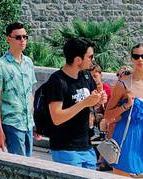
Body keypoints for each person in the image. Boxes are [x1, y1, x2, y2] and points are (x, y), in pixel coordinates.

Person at [102, 44, 143, 179]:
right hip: (126, 136)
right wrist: (126, 106)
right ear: (131, 59)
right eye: (136, 56)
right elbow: (107, 115)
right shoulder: (123, 85)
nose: (140, 59)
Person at [43, 37, 104, 168]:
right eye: (90, 57)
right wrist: (84, 103)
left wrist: (98, 100)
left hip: (86, 146)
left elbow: (92, 102)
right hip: (65, 148)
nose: (92, 60)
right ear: (78, 60)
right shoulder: (57, 81)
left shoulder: (86, 76)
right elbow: (57, 117)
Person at [0, 22, 37, 156]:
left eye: (25, 37)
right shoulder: (1, 65)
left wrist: (34, 122)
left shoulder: (28, 62)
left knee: (29, 165)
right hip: (12, 124)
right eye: (18, 37)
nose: (22, 40)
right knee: (20, 167)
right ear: (9, 39)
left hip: (27, 123)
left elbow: (30, 94)